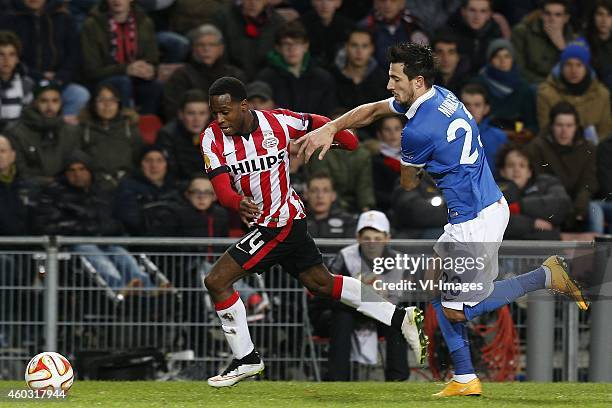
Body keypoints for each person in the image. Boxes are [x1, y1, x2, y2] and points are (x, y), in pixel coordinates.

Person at [296, 41, 589, 396]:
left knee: (456, 311)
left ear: (416, 81)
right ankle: (464, 378)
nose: (390, 85)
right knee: (433, 281)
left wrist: (420, 170)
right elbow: (374, 110)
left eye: (395, 78)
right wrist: (331, 127)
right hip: (480, 207)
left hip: (475, 221)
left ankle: (546, 275)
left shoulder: (417, 132)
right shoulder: (442, 95)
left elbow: (407, 182)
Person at [200, 76, 427, 387]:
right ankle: (400, 317)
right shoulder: (211, 139)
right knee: (322, 283)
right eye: (215, 112)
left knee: (216, 280)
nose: (219, 119)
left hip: (281, 222)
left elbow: (341, 136)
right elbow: (222, 190)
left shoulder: (279, 122)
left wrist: (327, 138)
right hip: (269, 223)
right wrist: (237, 202)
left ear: (243, 106)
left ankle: (246, 359)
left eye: (225, 112)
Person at [30, 150, 156, 292]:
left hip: (103, 242)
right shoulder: (52, 193)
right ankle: (118, 287)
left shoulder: (101, 193)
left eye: (82, 169)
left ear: (90, 171)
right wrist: (87, 229)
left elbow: (115, 221)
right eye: (71, 170)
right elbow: (46, 225)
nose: (77, 174)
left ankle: (146, 287)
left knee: (119, 252)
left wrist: (109, 229)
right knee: (89, 250)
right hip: (70, 247)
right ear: (65, 173)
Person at [310, 211, 410, 381]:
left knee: (399, 319)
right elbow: (322, 296)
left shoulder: (401, 262)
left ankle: (397, 379)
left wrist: (385, 296)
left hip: (381, 315)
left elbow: (410, 298)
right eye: (366, 238)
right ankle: (337, 380)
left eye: (377, 239)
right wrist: (356, 294)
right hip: (342, 312)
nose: (371, 243)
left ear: (387, 238)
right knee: (342, 316)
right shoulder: (345, 257)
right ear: (357, 237)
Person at [1, 0, 90, 123]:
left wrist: (60, 78)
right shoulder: (9, 18)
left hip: (59, 81)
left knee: (79, 94)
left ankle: (64, 134)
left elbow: (74, 55)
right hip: (26, 80)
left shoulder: (64, 18)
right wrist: (38, 76)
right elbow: (10, 57)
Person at [80, 0, 162, 114]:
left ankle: (145, 125)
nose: (117, 0)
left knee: (155, 86)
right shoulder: (92, 25)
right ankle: (125, 124)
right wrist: (126, 69)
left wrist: (150, 70)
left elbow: (153, 59)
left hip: (136, 78)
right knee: (123, 81)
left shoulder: (145, 22)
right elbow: (91, 70)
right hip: (103, 80)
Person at [527, 101, 598, 231]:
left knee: (595, 212)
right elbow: (536, 181)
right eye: (559, 125)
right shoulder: (537, 147)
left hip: (578, 207)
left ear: (576, 126)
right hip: (547, 205)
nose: (564, 130)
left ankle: (599, 249)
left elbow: (588, 183)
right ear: (552, 126)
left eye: (569, 125)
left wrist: (579, 209)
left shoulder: (588, 149)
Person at [162, 24, 246, 120]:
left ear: (221, 49)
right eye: (201, 45)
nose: (206, 49)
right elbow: (172, 109)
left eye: (212, 45)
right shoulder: (180, 76)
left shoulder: (235, 75)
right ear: (193, 49)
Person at [5, 80, 81, 186]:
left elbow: (77, 166)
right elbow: (20, 172)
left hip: (66, 188)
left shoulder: (71, 131)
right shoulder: (15, 132)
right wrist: (50, 182)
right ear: (35, 102)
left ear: (61, 103)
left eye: (55, 101)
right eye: (44, 101)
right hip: (27, 190)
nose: (50, 107)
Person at [256, 21, 337, 116]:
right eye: (286, 44)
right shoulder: (265, 78)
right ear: (278, 48)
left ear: (306, 46)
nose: (292, 49)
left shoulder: (323, 78)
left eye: (297, 43)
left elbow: (329, 112)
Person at [537, 39, 611, 142]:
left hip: (592, 152)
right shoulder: (546, 94)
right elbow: (546, 134)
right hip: (558, 151)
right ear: (561, 67)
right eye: (568, 65)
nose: (573, 70)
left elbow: (605, 133)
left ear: (586, 68)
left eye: (579, 65)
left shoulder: (602, 94)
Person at [496, 143, 572, 240]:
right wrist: (532, 224)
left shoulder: (547, 183)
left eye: (522, 165)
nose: (516, 169)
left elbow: (562, 204)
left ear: (529, 172)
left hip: (547, 249)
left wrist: (519, 207)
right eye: (511, 165)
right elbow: (493, 220)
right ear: (502, 171)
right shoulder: (493, 191)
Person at [80, 84, 143, 192]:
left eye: (112, 100)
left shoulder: (131, 130)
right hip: (94, 187)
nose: (107, 105)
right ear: (93, 104)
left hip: (128, 186)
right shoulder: (82, 130)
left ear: (119, 104)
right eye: (101, 100)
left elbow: (139, 161)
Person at [471, 38, 537, 136]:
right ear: (490, 60)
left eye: (507, 56)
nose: (502, 61)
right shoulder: (478, 84)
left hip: (516, 140)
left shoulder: (523, 88)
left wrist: (524, 134)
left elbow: (532, 125)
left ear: (512, 59)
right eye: (497, 57)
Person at [113, 145, 182, 236]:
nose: (154, 165)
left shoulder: (176, 187)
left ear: (167, 165)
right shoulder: (127, 187)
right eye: (148, 160)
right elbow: (129, 219)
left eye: (159, 160)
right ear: (140, 165)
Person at [211, 0, 286, 80]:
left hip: (266, 79)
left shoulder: (278, 22)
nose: (253, 3)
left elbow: (279, 57)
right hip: (232, 78)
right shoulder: (223, 18)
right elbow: (220, 55)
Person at [511, 0, 576, 84]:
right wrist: (546, 85)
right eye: (547, 14)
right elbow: (519, 69)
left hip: (560, 85)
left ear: (566, 18)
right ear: (541, 15)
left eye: (558, 15)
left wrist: (563, 47)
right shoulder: (522, 32)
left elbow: (576, 72)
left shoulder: (572, 38)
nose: (552, 19)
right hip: (531, 85)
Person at [157, 90, 211, 183]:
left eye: (202, 113)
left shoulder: (215, 133)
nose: (196, 119)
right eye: (191, 113)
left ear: (208, 115)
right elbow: (171, 172)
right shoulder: (167, 135)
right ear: (181, 115)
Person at [332, 28, 390, 111]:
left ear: (371, 49)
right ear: (346, 47)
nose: (359, 51)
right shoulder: (332, 77)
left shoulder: (383, 79)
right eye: (354, 45)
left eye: (364, 46)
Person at [358, 0, 428, 68]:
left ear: (402, 2)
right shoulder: (365, 27)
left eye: (393, 0)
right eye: (382, 0)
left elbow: (423, 60)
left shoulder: (414, 26)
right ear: (375, 2)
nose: (387, 5)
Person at [459, 83, 507, 178]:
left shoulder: (499, 137)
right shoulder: (445, 135)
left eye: (477, 105)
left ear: (486, 109)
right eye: (466, 105)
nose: (471, 109)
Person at [446, 0, 504, 76]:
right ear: (463, 11)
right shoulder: (449, 34)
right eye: (472, 10)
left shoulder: (496, 35)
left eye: (483, 11)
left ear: (489, 14)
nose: (477, 16)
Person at [299, 0, 354, 70]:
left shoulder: (349, 28)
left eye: (330, 0)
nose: (325, 5)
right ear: (312, 2)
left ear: (338, 2)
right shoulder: (300, 26)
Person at [304, 171, 356, 238]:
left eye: (326, 191)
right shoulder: (296, 222)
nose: (320, 196)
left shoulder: (348, 222)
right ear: (306, 195)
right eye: (314, 191)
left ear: (333, 195)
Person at [0, 31, 33, 132]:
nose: (6, 60)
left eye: (12, 54)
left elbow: (28, 120)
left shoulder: (26, 84)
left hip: (15, 139)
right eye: (1, 54)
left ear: (17, 58)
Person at [432, 31, 470, 96]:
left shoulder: (470, 84)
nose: (445, 59)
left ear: (458, 57)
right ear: (432, 56)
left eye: (451, 52)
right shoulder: (423, 84)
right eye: (440, 52)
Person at [585, 0, 612, 90]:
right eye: (600, 14)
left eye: (609, 15)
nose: (604, 20)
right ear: (593, 17)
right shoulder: (583, 41)